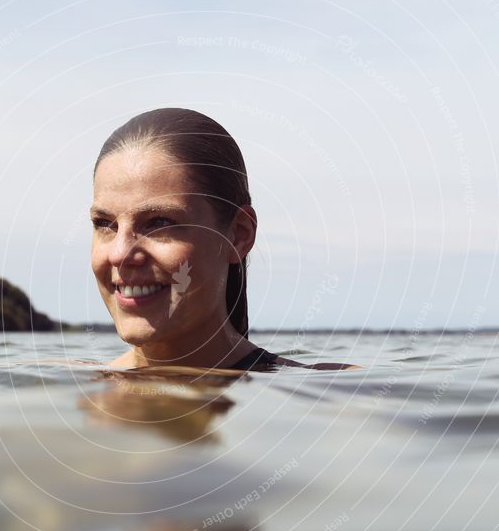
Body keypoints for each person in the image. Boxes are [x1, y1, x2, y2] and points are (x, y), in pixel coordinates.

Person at [90, 107, 356, 372]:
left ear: (239, 235)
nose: (120, 254)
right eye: (104, 224)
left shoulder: (330, 393)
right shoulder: (66, 391)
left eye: (160, 223)